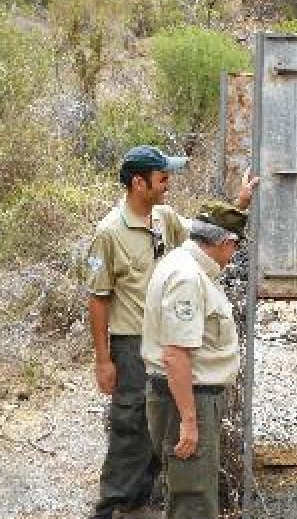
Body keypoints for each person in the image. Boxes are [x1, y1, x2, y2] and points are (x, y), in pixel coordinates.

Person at [84, 146, 253, 519]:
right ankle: (115, 506)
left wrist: (238, 205)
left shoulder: (163, 219)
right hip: (131, 342)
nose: (168, 185)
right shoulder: (109, 233)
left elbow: (204, 236)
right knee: (131, 429)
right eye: (162, 178)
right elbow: (97, 299)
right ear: (138, 182)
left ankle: (145, 502)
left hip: (166, 337)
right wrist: (103, 359)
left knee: (162, 426)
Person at [141, 201, 248, 519]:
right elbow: (176, 355)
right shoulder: (188, 277)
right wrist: (189, 421)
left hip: (184, 394)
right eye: (234, 249)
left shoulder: (182, 261)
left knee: (189, 488)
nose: (232, 258)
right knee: (193, 497)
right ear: (226, 243)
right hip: (188, 397)